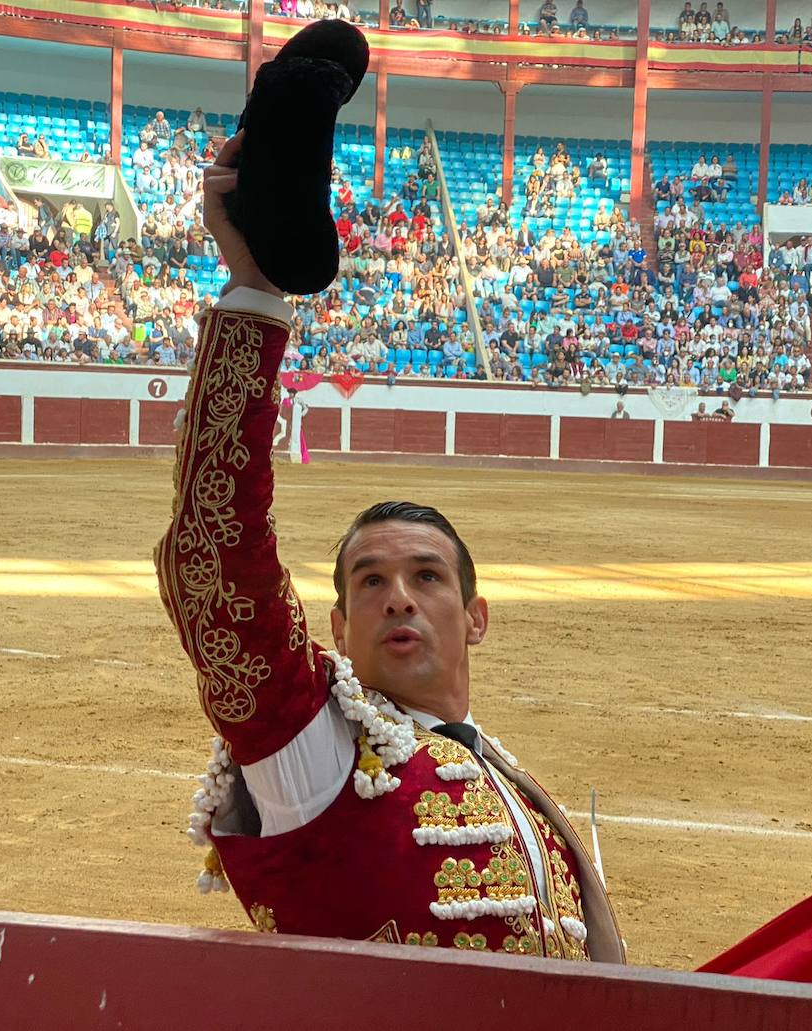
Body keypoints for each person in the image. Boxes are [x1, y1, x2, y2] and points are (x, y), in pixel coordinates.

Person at [156, 20, 622, 961]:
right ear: (335, 631)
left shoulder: (522, 793)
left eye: (425, 575)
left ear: (476, 615)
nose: (398, 593)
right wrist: (254, 290)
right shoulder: (317, 756)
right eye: (368, 581)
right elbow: (218, 566)